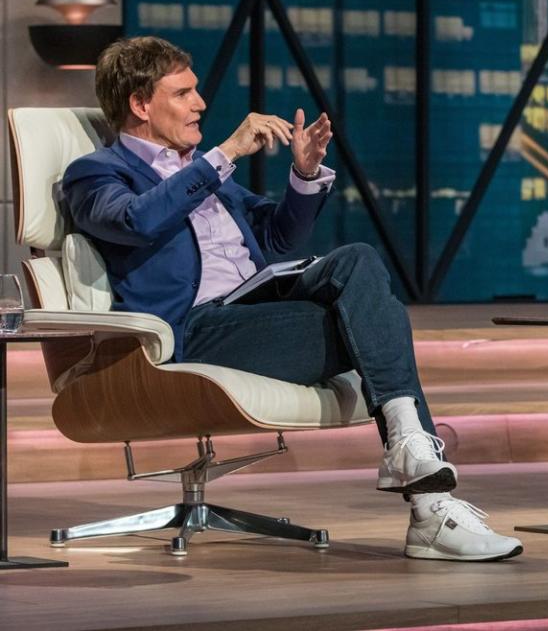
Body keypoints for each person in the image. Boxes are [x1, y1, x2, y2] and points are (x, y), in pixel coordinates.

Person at [61, 36, 522, 562]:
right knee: (377, 324)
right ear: (141, 105)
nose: (201, 104)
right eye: (184, 93)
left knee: (359, 260)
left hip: (258, 304)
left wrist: (304, 176)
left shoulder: (202, 171)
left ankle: (412, 456)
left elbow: (277, 240)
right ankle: (430, 506)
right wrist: (226, 153)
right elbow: (135, 221)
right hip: (197, 330)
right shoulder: (97, 173)